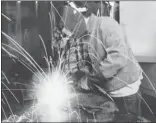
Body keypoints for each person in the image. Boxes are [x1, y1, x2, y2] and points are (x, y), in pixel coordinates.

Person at [60, 1, 143, 122]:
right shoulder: (85, 35)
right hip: (108, 90)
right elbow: (94, 61)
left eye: (72, 32)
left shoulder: (107, 25)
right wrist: (78, 75)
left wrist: (90, 79)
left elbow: (118, 58)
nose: (73, 36)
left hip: (126, 91)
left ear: (78, 22)